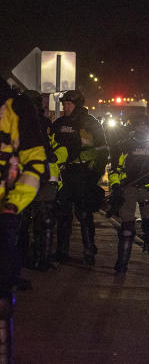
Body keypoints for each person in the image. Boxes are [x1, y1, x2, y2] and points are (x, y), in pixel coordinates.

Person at [1, 82, 47, 362]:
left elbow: (35, 165)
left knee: (1, 301)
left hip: (3, 213)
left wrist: (12, 205)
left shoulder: (16, 109)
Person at [108, 115, 149, 278]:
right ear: (134, 127)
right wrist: (116, 186)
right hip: (128, 189)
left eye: (145, 126)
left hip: (148, 190)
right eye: (139, 125)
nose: (142, 128)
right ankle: (121, 268)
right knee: (127, 230)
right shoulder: (124, 145)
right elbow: (115, 170)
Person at [52, 89, 109, 265]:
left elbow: (102, 150)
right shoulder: (60, 123)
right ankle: (62, 251)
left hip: (84, 174)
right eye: (64, 104)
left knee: (84, 214)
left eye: (68, 104)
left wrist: (95, 174)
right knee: (63, 213)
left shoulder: (91, 123)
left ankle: (89, 250)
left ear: (77, 105)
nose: (65, 107)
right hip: (65, 173)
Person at [19, 90, 66, 272]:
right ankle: (36, 259)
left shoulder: (43, 124)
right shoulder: (24, 123)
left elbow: (57, 147)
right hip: (34, 176)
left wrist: (55, 156)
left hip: (37, 177)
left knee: (36, 220)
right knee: (37, 220)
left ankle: (35, 258)